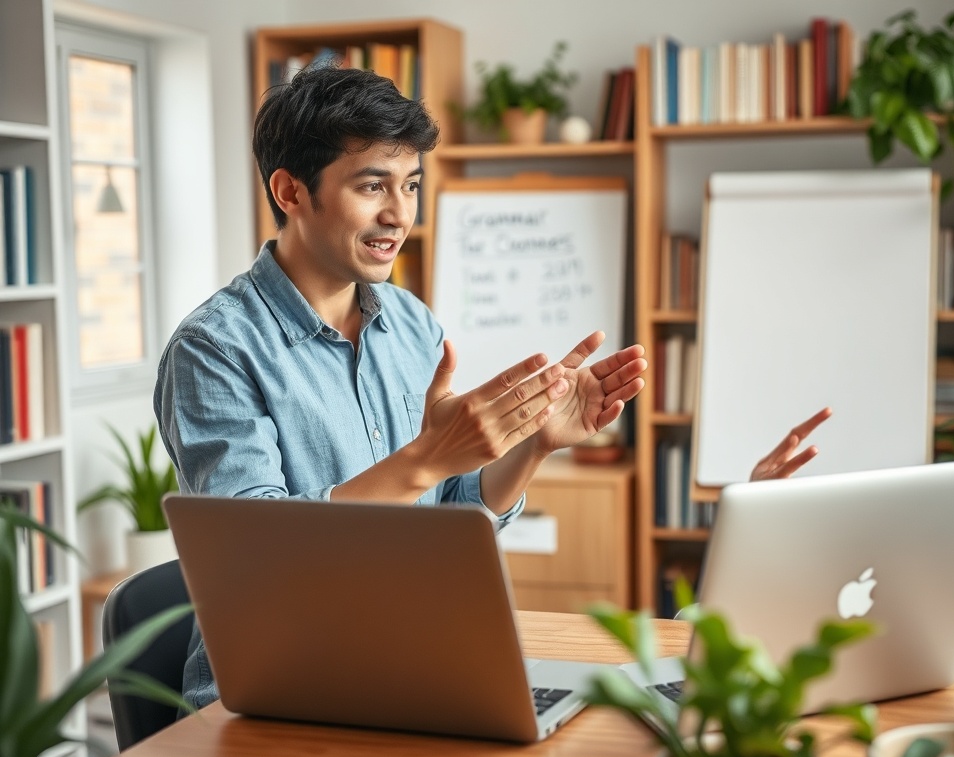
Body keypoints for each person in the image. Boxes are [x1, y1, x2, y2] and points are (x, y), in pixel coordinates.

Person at [154, 65, 828, 711]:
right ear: (291, 192)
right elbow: (254, 562)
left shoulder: (410, 324)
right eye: (372, 186)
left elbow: (454, 514)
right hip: (275, 693)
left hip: (415, 664)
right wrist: (427, 459)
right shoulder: (215, 349)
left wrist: (532, 446)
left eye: (411, 186)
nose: (399, 214)